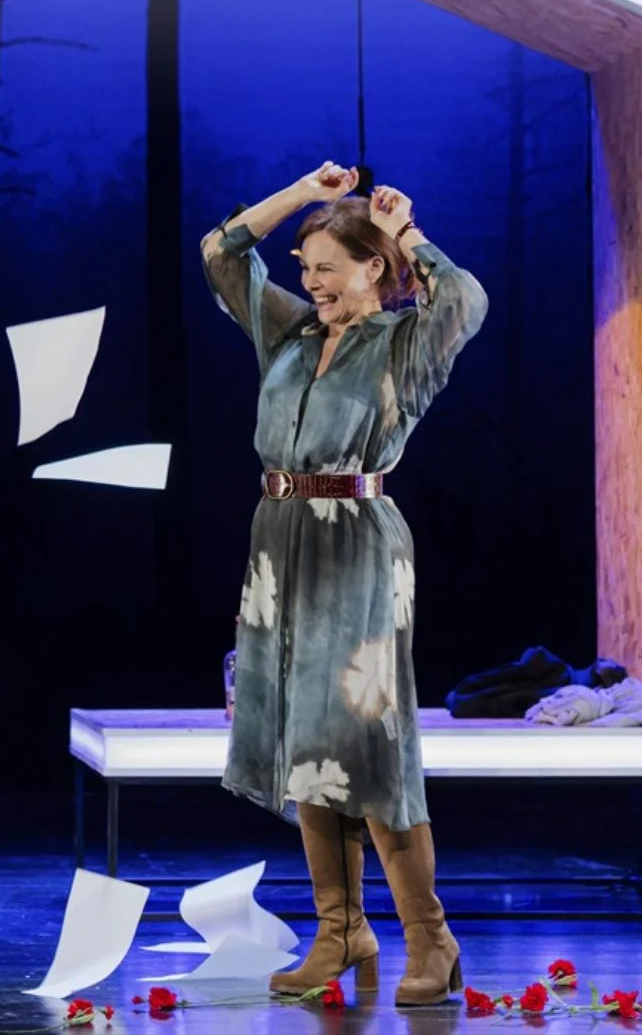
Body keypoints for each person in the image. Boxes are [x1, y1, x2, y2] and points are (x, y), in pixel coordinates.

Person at [200, 162, 487, 1006]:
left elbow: (464, 299)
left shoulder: (404, 343)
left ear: (373, 268)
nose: (313, 280)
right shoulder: (289, 334)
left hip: (356, 544)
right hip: (278, 545)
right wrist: (303, 195)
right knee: (306, 745)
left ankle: (429, 935)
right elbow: (221, 252)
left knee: (367, 743)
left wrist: (408, 234)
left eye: (329, 266)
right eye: (306, 266)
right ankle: (341, 928)